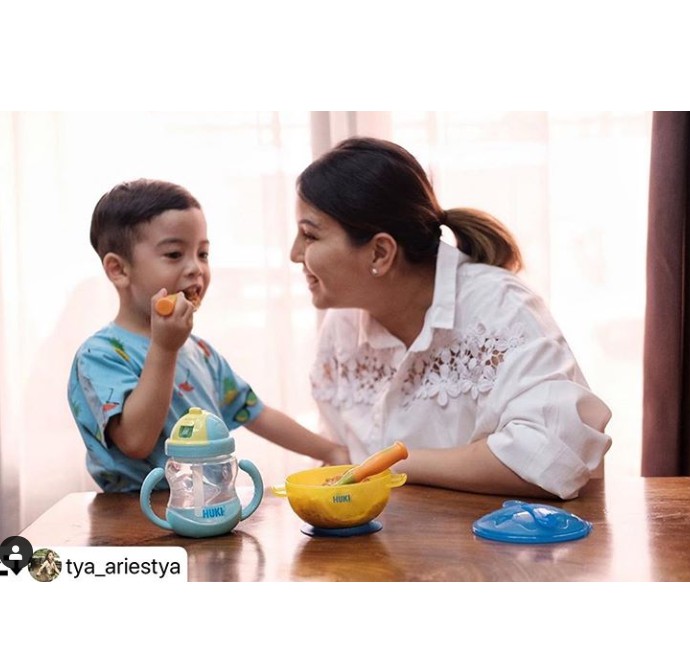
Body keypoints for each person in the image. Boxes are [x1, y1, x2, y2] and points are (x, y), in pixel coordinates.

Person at [290, 137, 612, 500]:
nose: (294, 253)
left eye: (309, 235)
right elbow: (345, 459)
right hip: (387, 549)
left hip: (506, 550)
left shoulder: (500, 307)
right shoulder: (343, 328)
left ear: (380, 252)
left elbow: (552, 455)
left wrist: (396, 465)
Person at [68, 179, 349, 492]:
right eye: (175, 254)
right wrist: (164, 347)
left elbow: (257, 412)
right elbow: (135, 441)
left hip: (208, 510)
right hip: (134, 519)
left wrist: (330, 451)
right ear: (119, 270)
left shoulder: (199, 351)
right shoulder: (100, 355)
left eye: (203, 254)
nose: (195, 269)